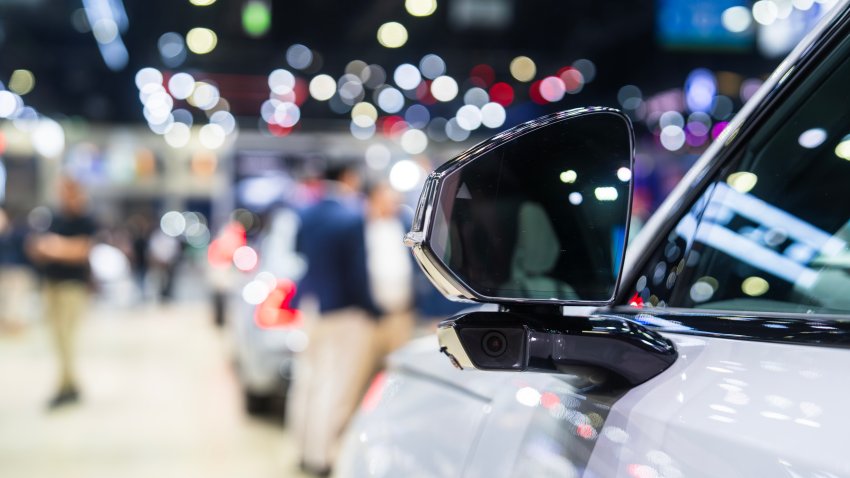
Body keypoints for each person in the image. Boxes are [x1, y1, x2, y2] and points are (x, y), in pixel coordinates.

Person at [287, 163, 379, 477]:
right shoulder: (353, 216)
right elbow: (358, 272)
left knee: (307, 379)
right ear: (348, 178)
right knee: (335, 383)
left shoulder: (305, 212)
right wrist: (372, 308)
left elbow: (297, 252)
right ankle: (322, 456)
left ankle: (301, 448)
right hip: (343, 309)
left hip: (310, 304)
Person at [25, 176, 97, 409]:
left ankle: (67, 385)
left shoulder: (85, 219)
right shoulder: (55, 218)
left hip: (71, 286)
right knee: (56, 337)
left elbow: (82, 250)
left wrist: (56, 248)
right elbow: (39, 245)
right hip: (51, 283)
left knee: (67, 337)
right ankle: (67, 383)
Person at [363, 182, 415, 362]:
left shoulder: (404, 224)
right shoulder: (362, 227)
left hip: (402, 311)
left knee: (398, 362)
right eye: (386, 199)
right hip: (368, 316)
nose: (391, 204)